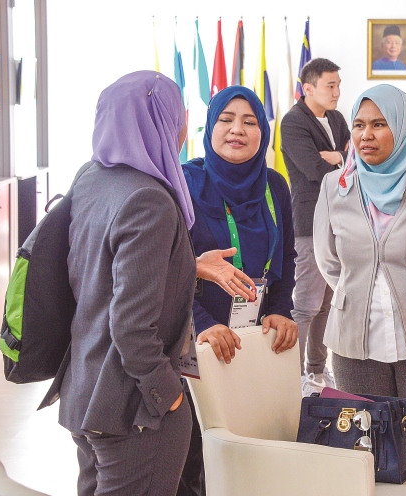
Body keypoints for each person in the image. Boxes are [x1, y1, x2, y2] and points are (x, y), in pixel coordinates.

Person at [59, 71, 253, 496]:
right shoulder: (149, 199)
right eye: (177, 112)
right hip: (133, 407)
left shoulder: (91, 178)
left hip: (85, 390)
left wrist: (188, 265)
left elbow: (101, 276)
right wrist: (168, 395)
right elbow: (131, 325)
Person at [179, 86, 298, 495]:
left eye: (249, 122)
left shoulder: (274, 186)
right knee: (196, 456)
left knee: (248, 452)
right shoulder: (184, 185)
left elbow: (287, 257)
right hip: (196, 344)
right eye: (226, 119)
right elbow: (166, 269)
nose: (237, 130)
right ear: (210, 126)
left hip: (252, 345)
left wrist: (280, 308)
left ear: (262, 132)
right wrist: (201, 324)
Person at [313, 84, 406, 401]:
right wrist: (359, 291)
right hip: (354, 340)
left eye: (379, 124)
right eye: (359, 125)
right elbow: (328, 262)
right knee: (363, 429)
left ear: (403, 126)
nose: (366, 135)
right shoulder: (335, 185)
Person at [281, 58, 348, 395]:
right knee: (306, 303)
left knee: (327, 303)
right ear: (308, 88)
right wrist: (339, 160)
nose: (337, 92)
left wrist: (338, 157)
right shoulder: (293, 122)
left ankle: (317, 371)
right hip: (309, 221)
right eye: (330, 86)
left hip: (339, 219)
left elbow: (354, 160)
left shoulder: (336, 118)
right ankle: (290, 377)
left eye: (338, 85)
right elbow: (314, 170)